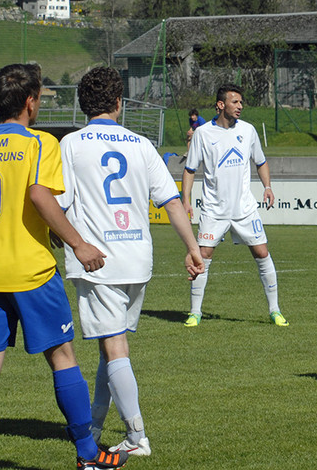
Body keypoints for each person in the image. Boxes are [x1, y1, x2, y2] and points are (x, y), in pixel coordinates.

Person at [0, 64, 128, 470]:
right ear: (30, 102)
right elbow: (40, 195)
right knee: (63, 357)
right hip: (31, 274)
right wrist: (78, 243)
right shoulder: (41, 144)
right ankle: (89, 454)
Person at [56, 67, 206, 457]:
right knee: (113, 344)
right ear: (120, 103)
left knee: (114, 346)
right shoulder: (141, 144)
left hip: (98, 260)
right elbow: (172, 201)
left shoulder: (70, 144)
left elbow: (58, 203)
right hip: (138, 258)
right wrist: (192, 247)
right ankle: (94, 424)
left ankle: (137, 437)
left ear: (82, 104)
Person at [182, 84, 287, 327]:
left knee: (262, 253)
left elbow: (260, 162)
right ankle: (195, 312)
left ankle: (275, 310)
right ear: (221, 105)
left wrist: (267, 187)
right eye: (235, 102)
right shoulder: (203, 133)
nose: (240, 106)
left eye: (241, 102)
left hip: (244, 209)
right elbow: (189, 170)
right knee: (203, 256)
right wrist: (186, 200)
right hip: (214, 209)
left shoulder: (248, 131)